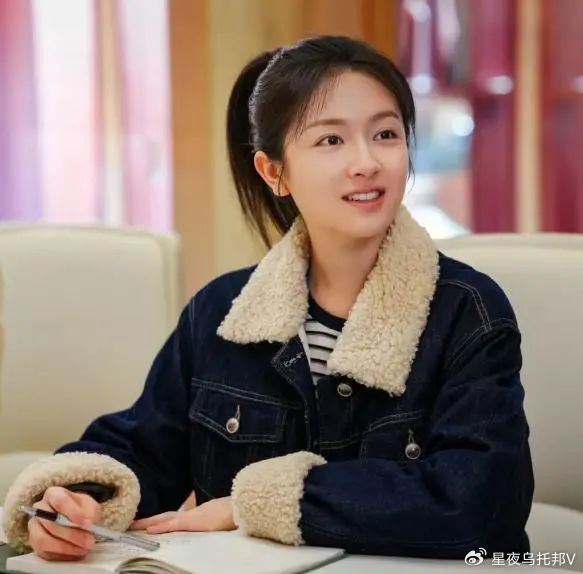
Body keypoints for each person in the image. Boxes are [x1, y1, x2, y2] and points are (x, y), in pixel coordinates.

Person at [3, 35, 533, 562]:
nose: (367, 161)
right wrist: (75, 502)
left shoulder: (469, 312)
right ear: (274, 172)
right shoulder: (221, 313)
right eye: (331, 140)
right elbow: (141, 447)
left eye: (386, 134)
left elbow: (478, 507)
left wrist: (255, 505)